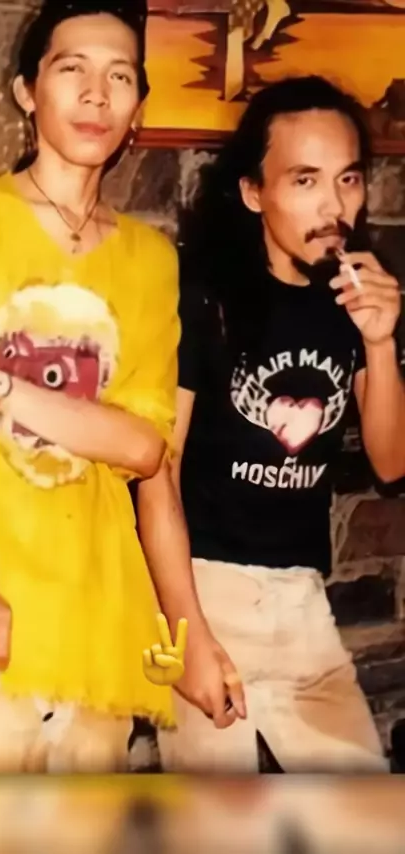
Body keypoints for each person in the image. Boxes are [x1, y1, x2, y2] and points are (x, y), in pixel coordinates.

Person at [0, 0, 221, 773]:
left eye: (120, 76)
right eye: (72, 69)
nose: (97, 93)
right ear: (27, 91)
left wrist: (188, 635)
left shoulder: (151, 260)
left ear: (139, 107)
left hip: (100, 619)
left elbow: (147, 453)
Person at [138, 75, 405, 772]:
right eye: (305, 180)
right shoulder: (203, 298)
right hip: (202, 586)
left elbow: (391, 462)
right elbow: (159, 470)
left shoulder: (356, 293)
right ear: (254, 192)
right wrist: (186, 634)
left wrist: (380, 342)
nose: (333, 206)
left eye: (349, 179)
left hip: (301, 601)